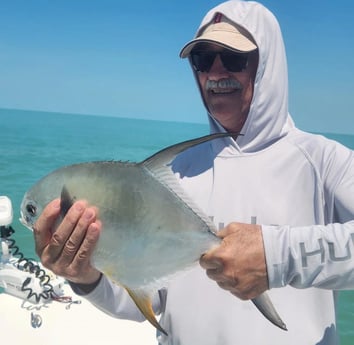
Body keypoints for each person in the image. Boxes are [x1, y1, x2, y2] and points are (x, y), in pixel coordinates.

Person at [33, 1, 354, 344]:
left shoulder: (325, 162)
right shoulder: (176, 171)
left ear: (267, 66)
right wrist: (86, 277)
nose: (215, 74)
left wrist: (277, 257)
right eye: (203, 60)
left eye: (232, 58)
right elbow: (147, 295)